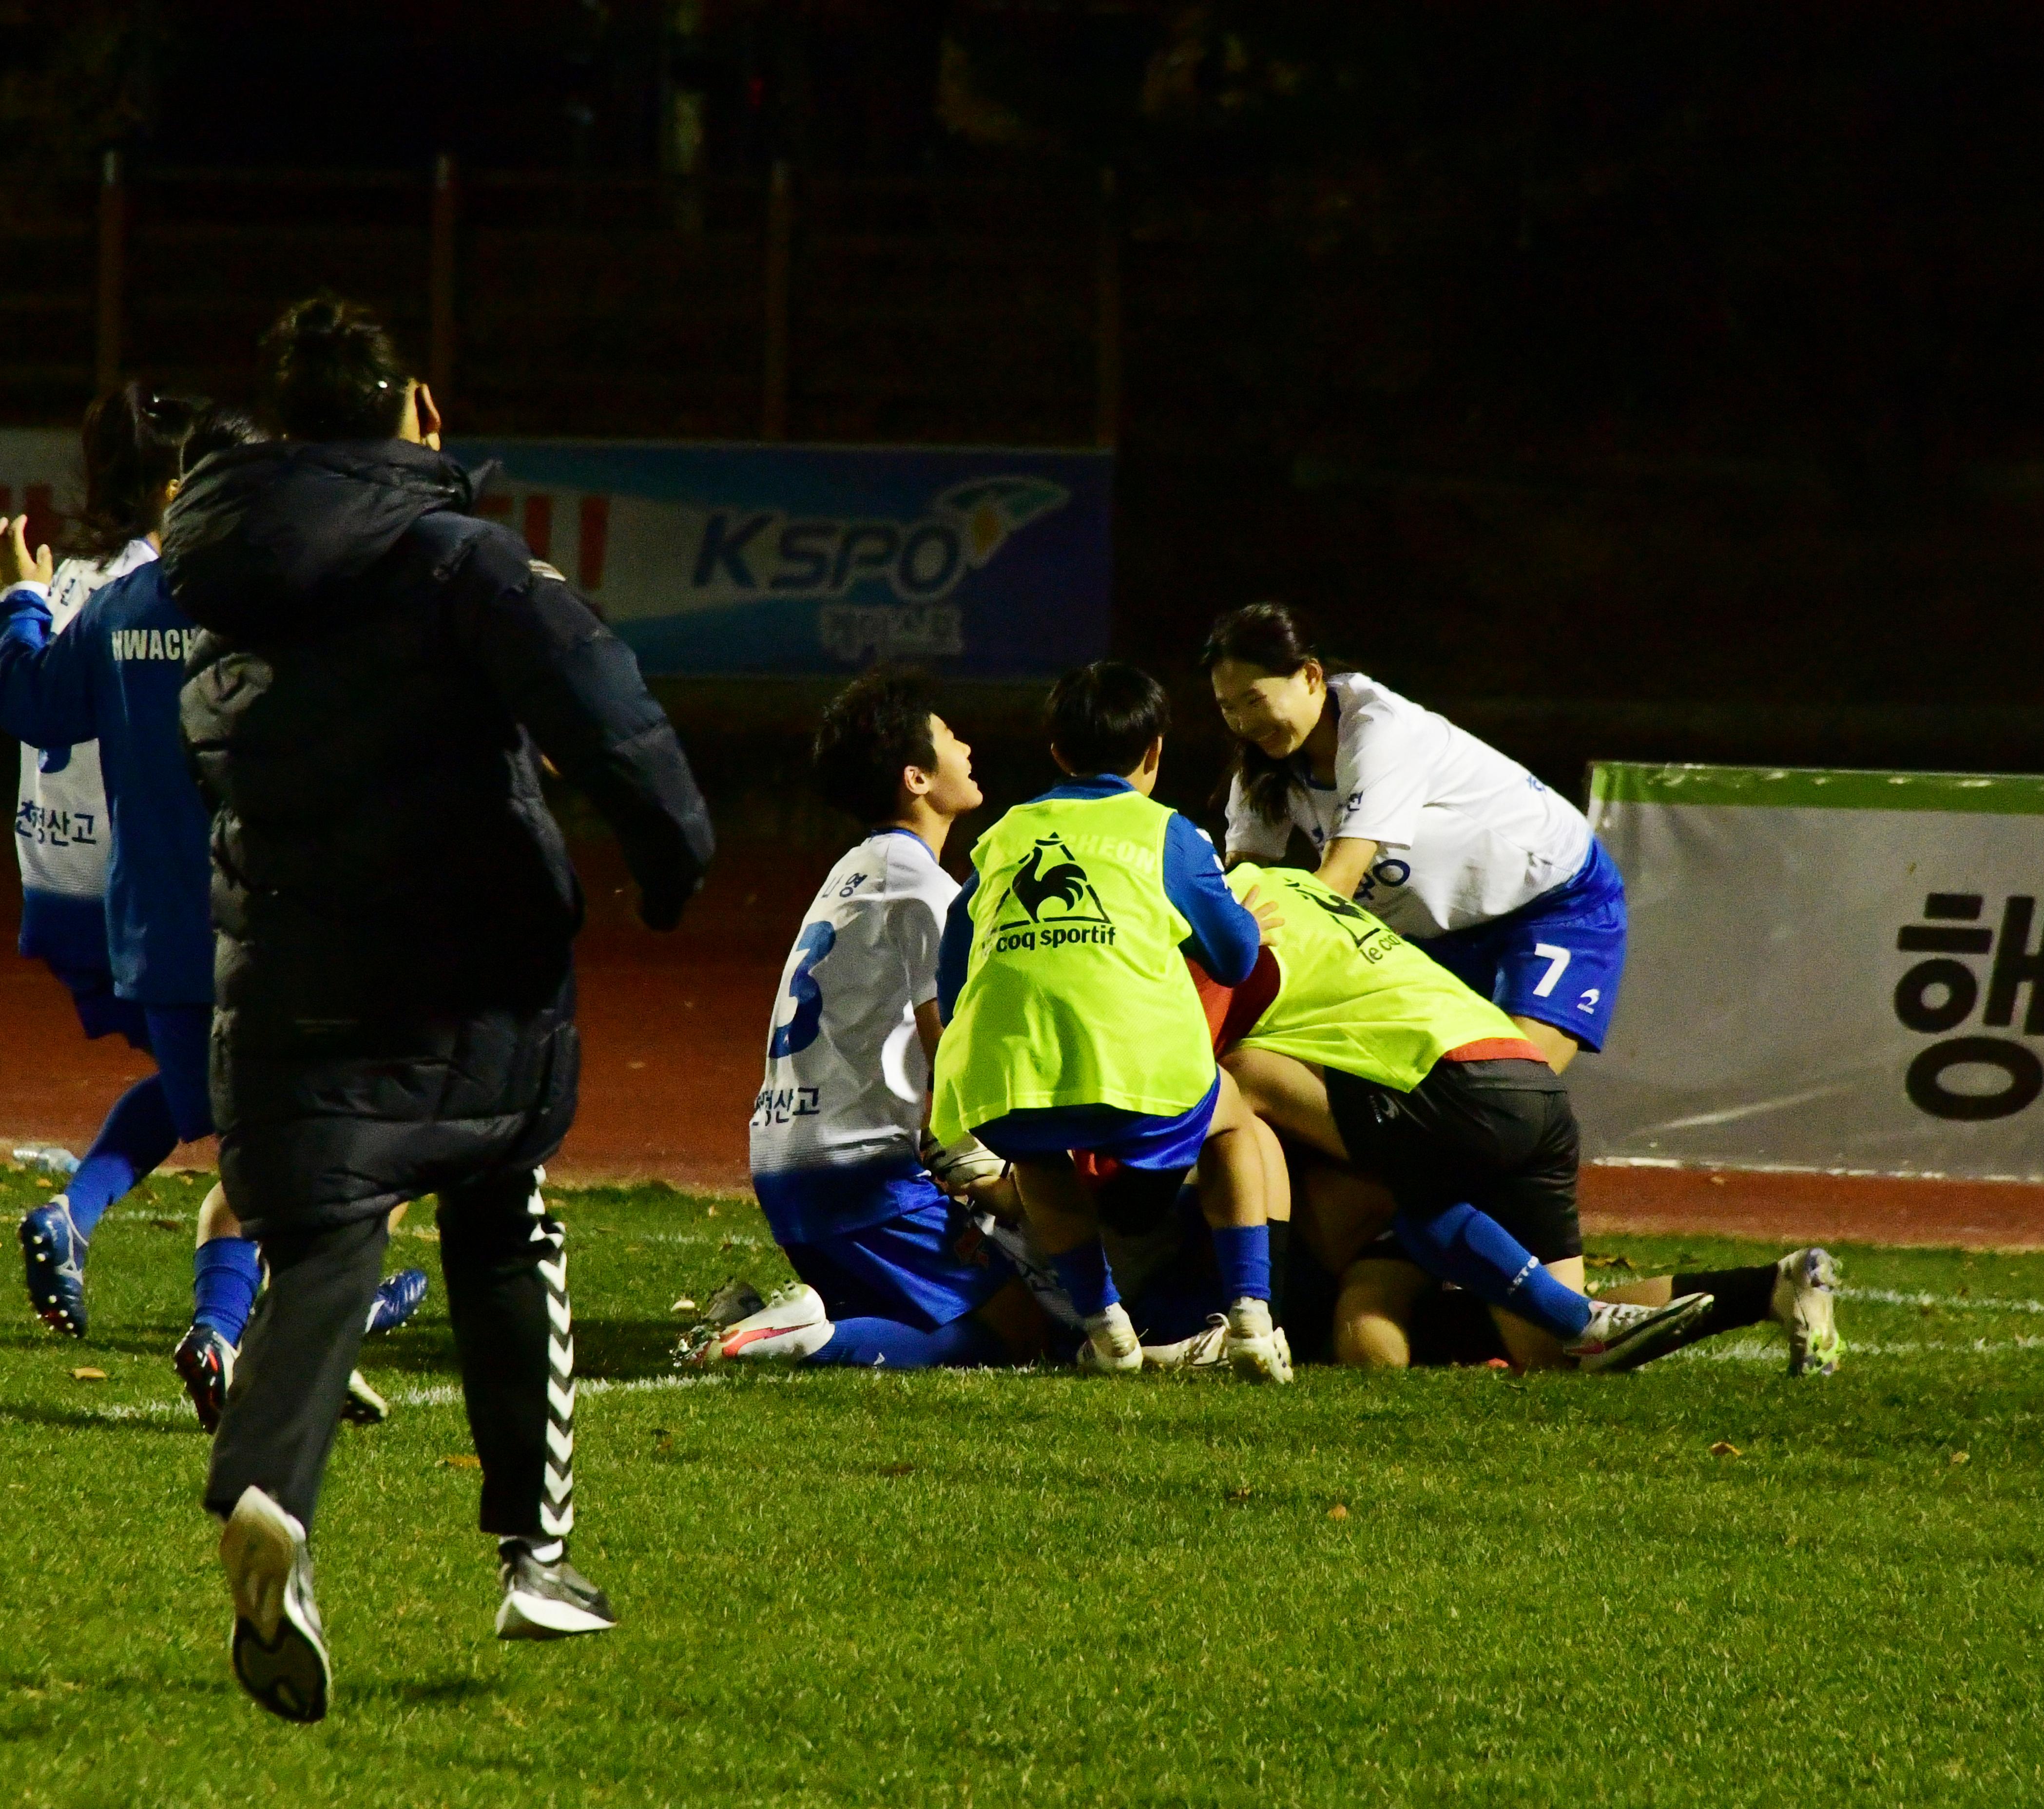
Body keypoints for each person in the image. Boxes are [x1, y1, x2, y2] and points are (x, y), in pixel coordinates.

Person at [163, 294, 713, 1722]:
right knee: (499, 1207)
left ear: (280, 429)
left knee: (326, 1246)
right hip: (466, 963)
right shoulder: (462, 558)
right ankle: (536, 1553)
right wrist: (671, 859)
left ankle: (268, 1490)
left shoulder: (219, 573)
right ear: (418, 412)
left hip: (286, 966)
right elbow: (602, 705)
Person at [0, 404, 427, 1422]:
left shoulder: (124, 604)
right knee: (371, 1134)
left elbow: (30, 703)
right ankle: (267, 1325)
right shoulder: (289, 609)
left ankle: (275, 1329)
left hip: (159, 944)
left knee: (255, 1152)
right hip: (279, 931)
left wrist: (19, 601)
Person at [1209, 862, 1840, 1373]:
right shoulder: (1290, 886)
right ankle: (1772, 1286)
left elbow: (1197, 1091)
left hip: (1442, 1102)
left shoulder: (1228, 944)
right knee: (1553, 1353)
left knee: (1237, 1081)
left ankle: (1255, 1319)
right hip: (1525, 1081)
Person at [928, 660, 1288, 1382]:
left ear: (1057, 753)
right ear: (1154, 751)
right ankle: (1252, 1319)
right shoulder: (1169, 834)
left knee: (1038, 1153)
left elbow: (955, 971)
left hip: (1003, 1076)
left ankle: (1107, 1331)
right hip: (1141, 1069)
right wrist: (1239, 922)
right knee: (1236, 1121)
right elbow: (1235, 956)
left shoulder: (1001, 837)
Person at [689, 668, 1049, 1369]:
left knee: (904, 1315)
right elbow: (952, 1046)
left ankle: (769, 1317)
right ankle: (795, 1342)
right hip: (854, 1174)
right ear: (917, 778)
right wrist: (1004, 1167)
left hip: (790, 1159)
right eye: (948, 736)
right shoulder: (923, 888)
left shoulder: (856, 869)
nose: (967, 747)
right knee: (1026, 1332)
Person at [0, 383, 197, 1335]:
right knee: (265, 1084)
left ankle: (73, 1216)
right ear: (173, 486)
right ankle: (316, 1293)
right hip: (143, 900)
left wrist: (17, 596)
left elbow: (25, 688)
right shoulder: (170, 585)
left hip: (53, 887)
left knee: (206, 1080)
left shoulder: (70, 578)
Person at [1202, 602, 1623, 1073]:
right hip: (1426, 937)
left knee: (1513, 1092)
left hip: (1550, 906)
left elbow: (1332, 889)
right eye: (1227, 707)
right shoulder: (1261, 770)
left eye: (1254, 700)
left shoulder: (1380, 730)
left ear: (1311, 676)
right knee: (1399, 1094)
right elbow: (1243, 891)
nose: (1243, 722)